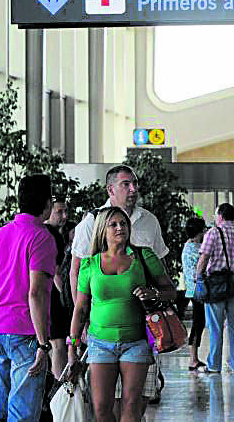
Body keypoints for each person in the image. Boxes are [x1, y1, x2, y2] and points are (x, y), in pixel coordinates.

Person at [65, 206, 177, 422]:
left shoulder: (144, 256)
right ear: (102, 230)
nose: (120, 228)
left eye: (123, 223)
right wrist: (73, 349)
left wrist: (151, 292)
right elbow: (80, 310)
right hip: (99, 343)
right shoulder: (90, 264)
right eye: (113, 224)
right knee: (100, 408)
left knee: (132, 406)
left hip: (136, 342)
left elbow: (170, 290)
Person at [70, 165, 168, 406]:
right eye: (126, 184)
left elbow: (162, 275)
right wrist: (81, 326)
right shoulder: (92, 222)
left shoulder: (149, 221)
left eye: (135, 183)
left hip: (141, 332)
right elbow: (76, 272)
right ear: (111, 189)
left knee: (134, 405)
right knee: (103, 405)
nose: (133, 189)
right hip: (100, 334)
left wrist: (155, 295)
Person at [0, 175, 57, 422]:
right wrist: (43, 344)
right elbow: (36, 293)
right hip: (25, 333)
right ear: (46, 203)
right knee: (21, 413)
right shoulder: (42, 238)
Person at [197, 203, 234, 374]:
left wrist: (198, 277)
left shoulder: (213, 232)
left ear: (220, 215)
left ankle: (214, 365)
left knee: (215, 326)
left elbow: (204, 257)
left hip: (215, 282)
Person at [44, 198, 71, 379]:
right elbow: (56, 272)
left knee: (56, 344)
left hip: (48, 296)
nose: (64, 216)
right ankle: (59, 387)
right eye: (59, 212)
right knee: (58, 343)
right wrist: (66, 299)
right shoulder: (50, 235)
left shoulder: (56, 234)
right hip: (53, 298)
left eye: (66, 211)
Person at [181, 217, 207, 371]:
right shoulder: (198, 248)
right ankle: (193, 358)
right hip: (199, 289)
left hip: (192, 289)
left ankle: (194, 357)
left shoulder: (187, 246)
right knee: (199, 322)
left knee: (199, 322)